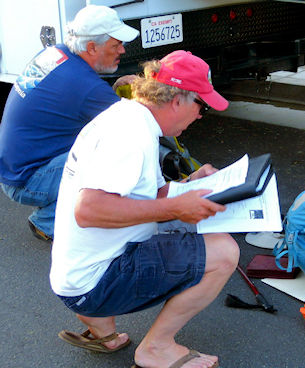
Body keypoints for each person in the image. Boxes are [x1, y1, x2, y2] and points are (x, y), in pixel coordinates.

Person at [49, 50, 240, 368]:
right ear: (177, 100)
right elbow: (89, 211)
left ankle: (100, 323)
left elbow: (145, 193)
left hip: (78, 272)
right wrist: (177, 207)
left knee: (190, 233)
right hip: (96, 279)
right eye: (201, 106)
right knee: (224, 252)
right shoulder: (130, 137)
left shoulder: (132, 118)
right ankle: (156, 349)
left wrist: (191, 184)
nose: (201, 115)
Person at [0, 5, 139, 241]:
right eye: (116, 45)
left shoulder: (56, 53)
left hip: (14, 169)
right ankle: (49, 220)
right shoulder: (85, 87)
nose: (123, 50)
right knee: (115, 157)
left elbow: (77, 96)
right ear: (92, 47)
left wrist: (113, 89)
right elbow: (136, 125)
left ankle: (56, 207)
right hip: (27, 181)